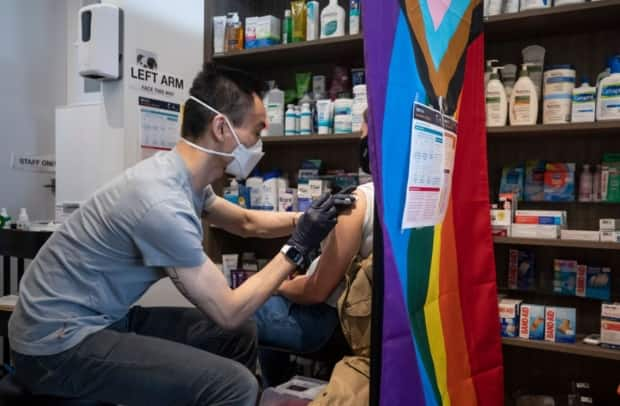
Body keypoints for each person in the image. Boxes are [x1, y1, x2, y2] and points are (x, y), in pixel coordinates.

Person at [8, 63, 345, 406]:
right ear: (220, 127)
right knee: (235, 385)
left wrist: (305, 218)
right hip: (54, 344)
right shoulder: (161, 201)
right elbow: (228, 309)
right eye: (256, 133)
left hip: (102, 318)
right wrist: (299, 246)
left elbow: (244, 222)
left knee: (239, 336)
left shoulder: (185, 179)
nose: (259, 145)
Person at [255, 109, 374, 387]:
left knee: (244, 308)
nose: (360, 136)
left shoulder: (357, 204)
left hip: (327, 324)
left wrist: (278, 285)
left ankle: (273, 391)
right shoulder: (413, 196)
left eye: (363, 131)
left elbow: (317, 291)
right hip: (371, 324)